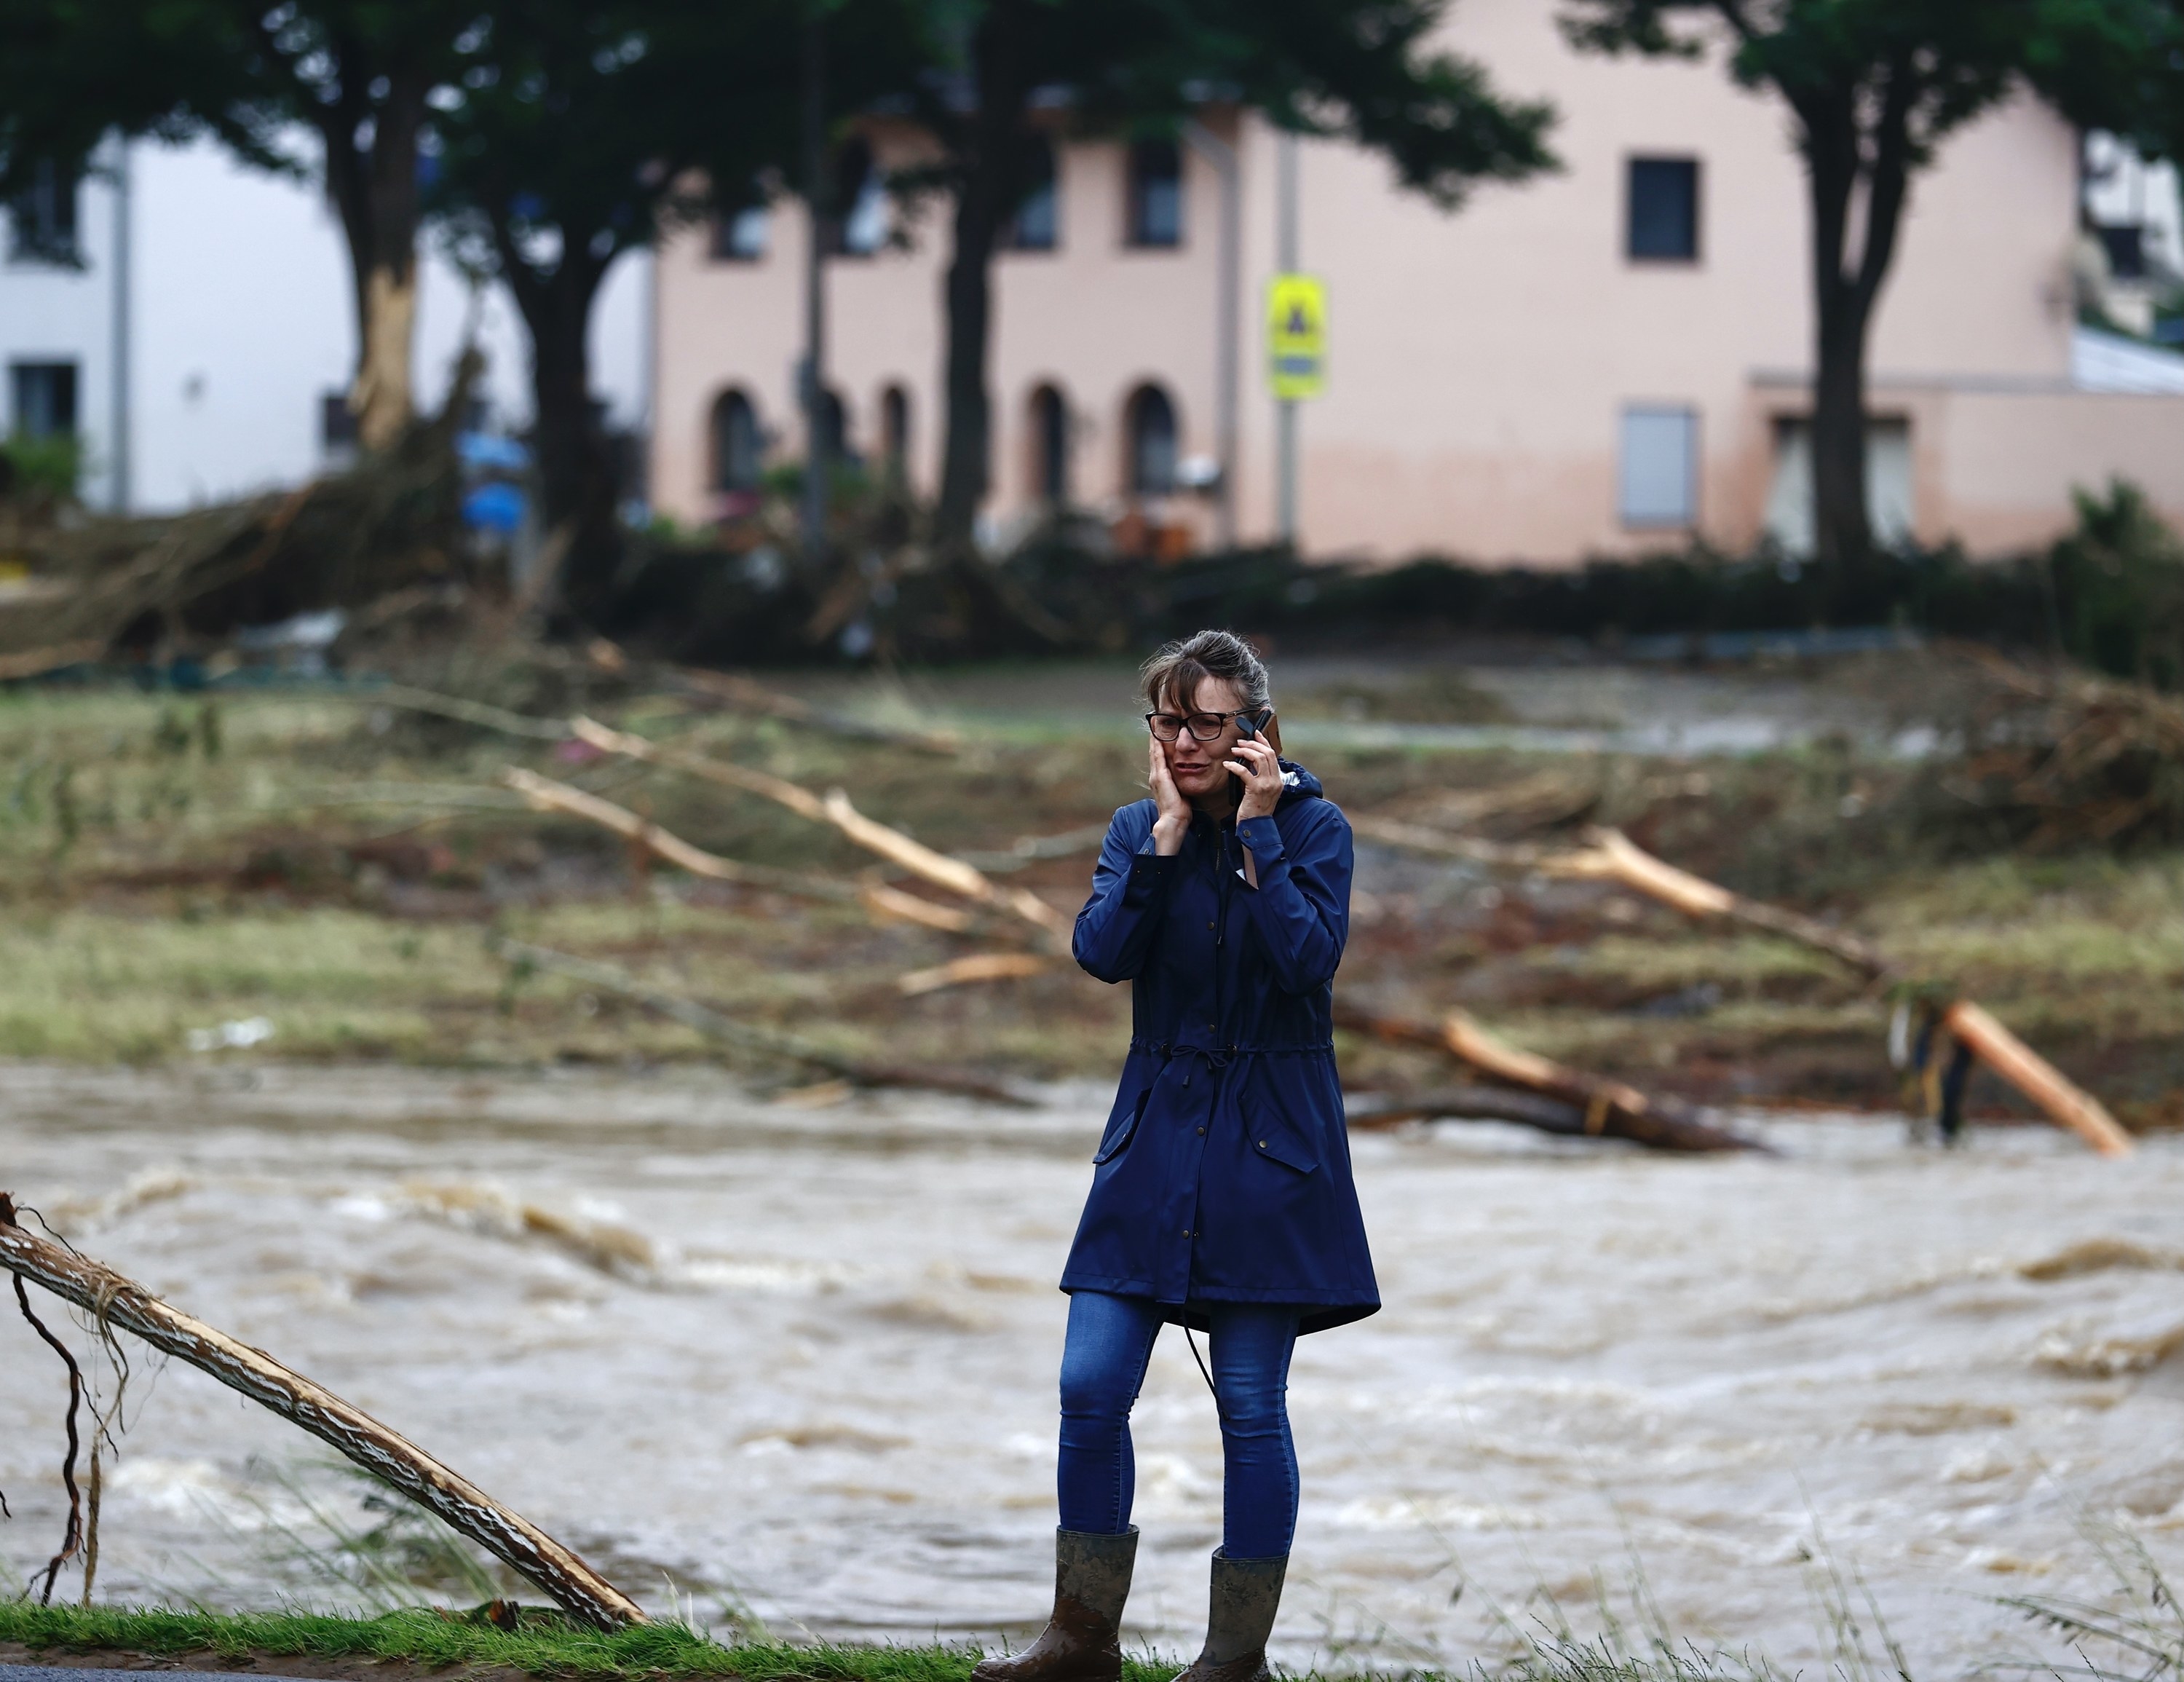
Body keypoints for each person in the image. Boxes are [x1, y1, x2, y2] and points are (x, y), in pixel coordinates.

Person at [975, 630, 1376, 1682]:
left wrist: (1261, 837)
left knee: (1249, 1402)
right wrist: (1158, 849)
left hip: (1270, 1155)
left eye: (1207, 721)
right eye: (1169, 719)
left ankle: (1233, 1658)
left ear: (1256, 732)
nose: (1186, 741)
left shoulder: (1315, 828)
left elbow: (1306, 959)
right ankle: (1080, 1639)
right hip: (1152, 1144)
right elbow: (1101, 952)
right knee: (1090, 1384)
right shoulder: (1132, 832)